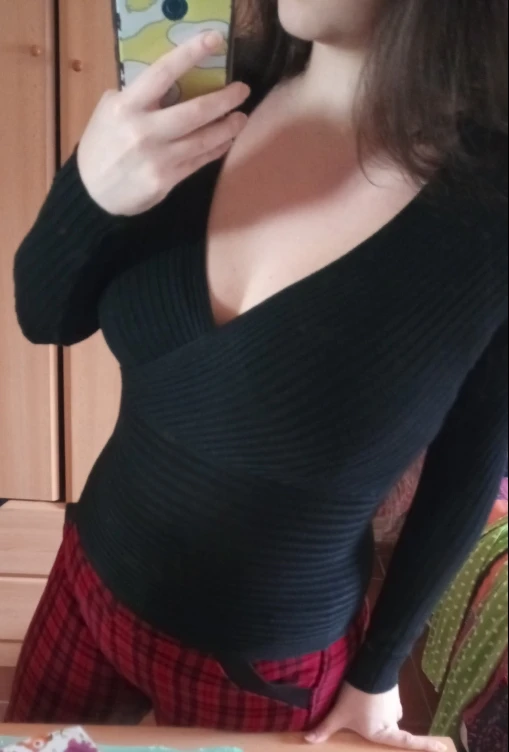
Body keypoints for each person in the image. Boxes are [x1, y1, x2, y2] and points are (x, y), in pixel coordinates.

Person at [7, 1, 507, 749]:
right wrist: (90, 193)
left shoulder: (489, 212)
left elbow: (470, 465)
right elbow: (45, 318)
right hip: (89, 576)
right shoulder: (201, 106)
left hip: (262, 667)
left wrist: (378, 673)